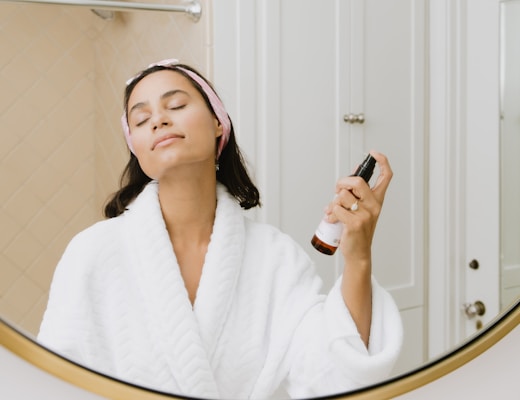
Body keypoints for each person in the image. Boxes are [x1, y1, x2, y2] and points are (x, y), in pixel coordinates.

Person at [38, 59, 402, 399]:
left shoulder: (276, 258)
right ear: (136, 148)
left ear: (218, 123)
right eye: (141, 118)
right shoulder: (92, 253)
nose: (159, 120)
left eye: (176, 105)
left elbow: (333, 376)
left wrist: (358, 256)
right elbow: (53, 384)